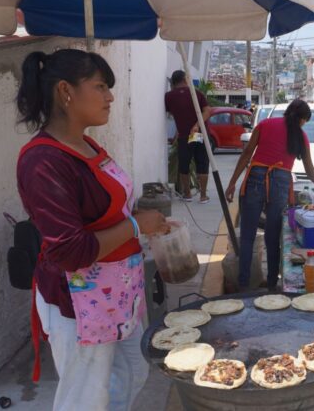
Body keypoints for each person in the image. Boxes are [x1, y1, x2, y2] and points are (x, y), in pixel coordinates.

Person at [15, 49, 170, 410]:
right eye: (100, 86)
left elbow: (107, 208)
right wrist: (134, 225)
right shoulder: (43, 161)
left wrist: (146, 221)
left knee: (132, 372)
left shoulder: (87, 144)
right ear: (66, 92)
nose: (110, 96)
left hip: (119, 291)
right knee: (85, 397)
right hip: (78, 302)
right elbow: (69, 251)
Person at [225, 99, 314, 291]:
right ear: (303, 119)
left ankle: (244, 285)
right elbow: (309, 169)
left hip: (255, 178)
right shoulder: (301, 136)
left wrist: (232, 184)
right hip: (280, 182)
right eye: (305, 120)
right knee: (273, 237)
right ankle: (272, 284)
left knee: (247, 236)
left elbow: (247, 154)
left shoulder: (265, 124)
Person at [165, 70, 212, 203]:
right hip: (198, 134)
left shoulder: (168, 97)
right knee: (202, 163)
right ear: (185, 79)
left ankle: (187, 194)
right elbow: (208, 111)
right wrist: (196, 125)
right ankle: (203, 196)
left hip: (185, 136)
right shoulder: (196, 93)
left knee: (184, 164)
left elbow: (173, 114)